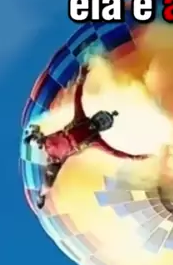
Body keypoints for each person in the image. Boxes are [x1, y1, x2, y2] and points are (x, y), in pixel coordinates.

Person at [24, 64, 149, 209]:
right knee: (40, 144)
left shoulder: (94, 139)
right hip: (51, 145)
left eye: (103, 122)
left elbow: (113, 152)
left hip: (56, 158)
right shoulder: (81, 120)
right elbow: (78, 98)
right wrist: (81, 79)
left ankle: (41, 193)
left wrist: (134, 157)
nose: (100, 122)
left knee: (49, 181)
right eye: (102, 119)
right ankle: (34, 139)